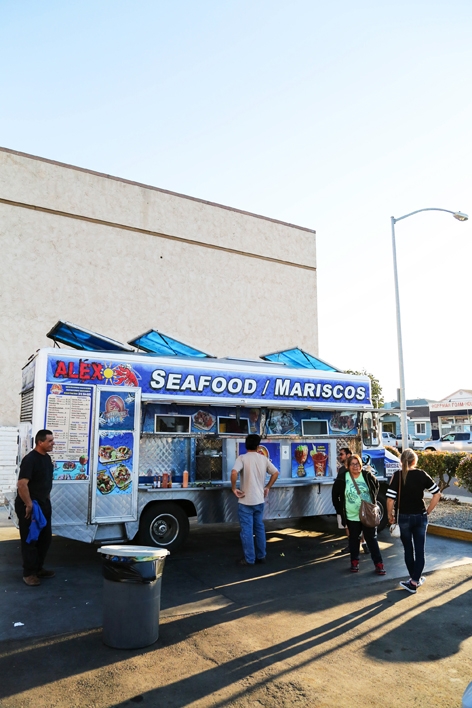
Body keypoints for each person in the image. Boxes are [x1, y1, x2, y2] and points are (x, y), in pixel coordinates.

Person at [386, 448, 440, 594]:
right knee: (420, 550)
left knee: (408, 550)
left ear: (401, 461)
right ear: (414, 461)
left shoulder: (397, 475)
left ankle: (413, 581)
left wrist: (390, 515)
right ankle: (415, 580)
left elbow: (390, 499)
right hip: (420, 517)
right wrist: (428, 511)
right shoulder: (421, 474)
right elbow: (437, 493)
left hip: (403, 517)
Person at [332, 453, 386, 575]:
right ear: (348, 466)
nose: (356, 467)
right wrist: (340, 511)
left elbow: (376, 486)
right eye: (353, 464)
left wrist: (371, 502)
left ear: (361, 465)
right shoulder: (342, 478)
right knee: (353, 540)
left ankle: (379, 564)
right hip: (351, 516)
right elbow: (335, 496)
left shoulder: (367, 476)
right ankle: (354, 563)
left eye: (358, 464)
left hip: (368, 515)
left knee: (372, 539)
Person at [231, 434, 279, 566]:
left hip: (245, 501)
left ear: (246, 445)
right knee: (259, 529)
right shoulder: (263, 459)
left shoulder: (242, 458)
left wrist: (234, 488)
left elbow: (234, 472)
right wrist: (267, 487)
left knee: (247, 531)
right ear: (258, 446)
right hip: (259, 500)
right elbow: (276, 473)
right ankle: (261, 556)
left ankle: (249, 559)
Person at [15, 430, 55, 586]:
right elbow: (22, 484)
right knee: (30, 539)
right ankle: (29, 573)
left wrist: (47, 499)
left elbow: (45, 482)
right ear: (40, 442)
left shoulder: (46, 459)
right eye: (50, 441)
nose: (53, 443)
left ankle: (38, 568)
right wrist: (29, 504)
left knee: (45, 539)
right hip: (30, 506)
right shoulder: (30, 460)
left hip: (43, 504)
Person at [337, 448, 368, 555]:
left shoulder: (365, 475)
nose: (340, 456)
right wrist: (339, 508)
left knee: (364, 524)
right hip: (348, 509)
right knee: (347, 526)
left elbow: (374, 487)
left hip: (361, 508)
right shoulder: (341, 472)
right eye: (353, 464)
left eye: (342, 454)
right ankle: (353, 545)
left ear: (348, 455)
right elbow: (336, 492)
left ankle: (363, 543)